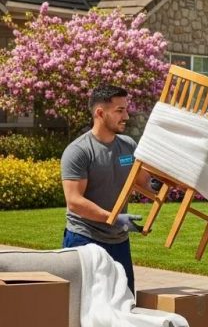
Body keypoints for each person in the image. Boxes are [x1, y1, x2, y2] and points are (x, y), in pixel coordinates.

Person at [61, 85, 159, 295]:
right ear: (100, 113)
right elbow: (74, 201)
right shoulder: (79, 151)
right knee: (85, 307)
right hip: (85, 239)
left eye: (126, 109)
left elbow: (143, 182)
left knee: (124, 304)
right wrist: (114, 218)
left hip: (119, 241)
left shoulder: (128, 146)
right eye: (119, 110)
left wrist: (157, 185)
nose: (126, 115)